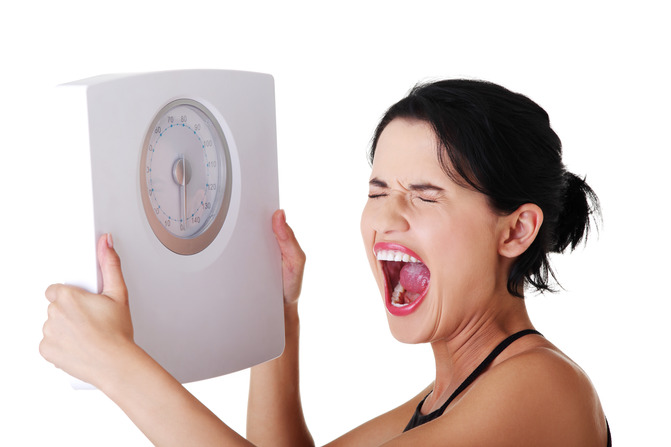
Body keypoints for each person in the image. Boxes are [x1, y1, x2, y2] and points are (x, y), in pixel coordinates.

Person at [40, 79, 611, 446]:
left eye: (425, 194)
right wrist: (277, 312)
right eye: (377, 190)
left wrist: (118, 365)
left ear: (516, 229)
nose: (387, 217)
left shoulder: (542, 388)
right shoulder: (444, 402)